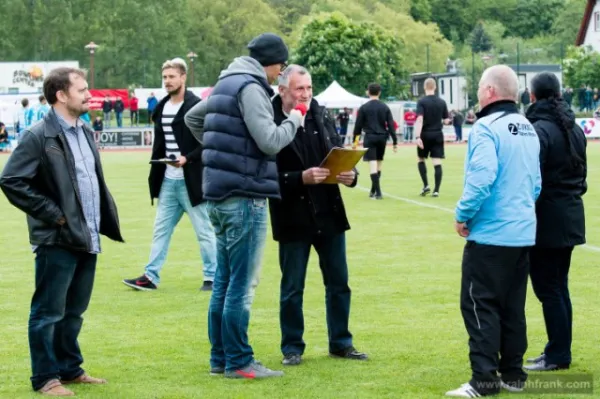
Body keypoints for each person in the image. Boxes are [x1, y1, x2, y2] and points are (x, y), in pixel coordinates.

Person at [184, 32, 303, 379]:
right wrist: (294, 119)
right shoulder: (251, 87)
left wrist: (222, 150)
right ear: (274, 64)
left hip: (218, 195)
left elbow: (193, 119)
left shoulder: (224, 83)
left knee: (223, 280)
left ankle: (220, 358)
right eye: (281, 67)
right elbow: (269, 141)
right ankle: (239, 361)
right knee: (241, 284)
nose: (280, 75)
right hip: (245, 196)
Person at [0, 67, 124, 397]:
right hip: (56, 239)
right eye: (82, 90)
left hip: (87, 236)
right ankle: (44, 378)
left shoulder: (83, 131)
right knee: (47, 312)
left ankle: (69, 368)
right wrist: (55, 216)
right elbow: (11, 180)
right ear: (61, 95)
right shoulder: (38, 135)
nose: (88, 95)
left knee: (73, 311)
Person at [447, 65, 541, 398]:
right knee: (513, 306)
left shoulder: (486, 127)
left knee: (479, 304)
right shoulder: (528, 127)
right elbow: (536, 184)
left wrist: (462, 214)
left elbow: (482, 177)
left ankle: (483, 380)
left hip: (491, 235)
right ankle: (513, 374)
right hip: (523, 232)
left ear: (488, 91)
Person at [269, 65, 367, 366]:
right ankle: (292, 347)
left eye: (309, 88)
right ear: (283, 89)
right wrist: (300, 177)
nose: (307, 94)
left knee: (339, 282)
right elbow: (264, 173)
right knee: (292, 286)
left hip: (329, 210)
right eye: (300, 89)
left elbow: (336, 152)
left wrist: (351, 174)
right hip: (292, 214)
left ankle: (341, 342)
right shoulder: (268, 119)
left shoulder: (320, 113)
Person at [123, 58, 217, 292]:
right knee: (160, 230)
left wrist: (187, 158)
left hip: (191, 180)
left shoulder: (196, 105)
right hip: (168, 180)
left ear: (183, 77)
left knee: (204, 231)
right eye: (164, 77)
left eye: (172, 76)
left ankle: (213, 277)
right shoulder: (162, 106)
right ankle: (150, 276)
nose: (167, 81)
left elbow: (209, 140)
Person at [523, 72, 587, 372]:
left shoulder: (539, 130)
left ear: (532, 96)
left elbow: (532, 179)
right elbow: (581, 177)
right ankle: (557, 348)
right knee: (558, 287)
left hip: (548, 218)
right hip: (571, 213)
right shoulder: (573, 128)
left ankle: (559, 354)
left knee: (549, 288)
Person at [353, 83, 397, 199]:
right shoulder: (385, 107)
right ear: (379, 93)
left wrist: (355, 143)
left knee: (373, 165)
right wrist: (395, 141)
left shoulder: (363, 108)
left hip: (370, 137)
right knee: (379, 165)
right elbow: (391, 126)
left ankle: (378, 193)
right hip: (382, 137)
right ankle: (373, 191)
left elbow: (357, 127)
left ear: (368, 92)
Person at [414, 78, 450, 197]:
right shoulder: (442, 102)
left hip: (425, 134)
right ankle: (436, 190)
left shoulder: (421, 102)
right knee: (437, 162)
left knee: (420, 158)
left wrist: (417, 136)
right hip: (437, 134)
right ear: (435, 87)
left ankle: (426, 185)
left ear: (424, 87)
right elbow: (446, 120)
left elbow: (420, 119)